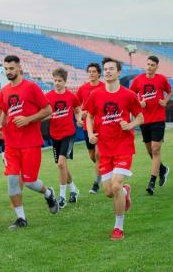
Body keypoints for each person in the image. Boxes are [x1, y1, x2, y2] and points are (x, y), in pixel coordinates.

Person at [0, 55, 59, 230]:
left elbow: (48, 110)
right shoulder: (4, 91)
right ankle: (21, 218)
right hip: (11, 145)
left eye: (11, 68)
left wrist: (29, 119)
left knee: (30, 182)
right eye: (6, 69)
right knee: (13, 180)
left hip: (30, 143)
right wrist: (0, 126)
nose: (9, 72)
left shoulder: (31, 88)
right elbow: (4, 112)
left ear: (19, 69)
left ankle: (48, 193)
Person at [85, 57, 143, 240]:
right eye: (106, 69)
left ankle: (118, 228)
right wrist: (90, 134)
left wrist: (131, 124)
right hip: (105, 148)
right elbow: (89, 116)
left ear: (118, 72)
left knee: (115, 185)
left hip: (124, 146)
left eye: (112, 68)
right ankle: (125, 191)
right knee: (110, 192)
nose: (108, 71)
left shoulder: (128, 95)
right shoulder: (95, 95)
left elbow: (140, 117)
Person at [130, 55, 172, 195]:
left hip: (158, 119)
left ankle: (152, 182)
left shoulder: (162, 79)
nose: (149, 67)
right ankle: (163, 169)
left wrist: (165, 101)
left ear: (156, 67)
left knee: (155, 149)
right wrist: (138, 103)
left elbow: (170, 92)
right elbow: (131, 94)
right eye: (147, 64)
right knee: (149, 150)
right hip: (144, 120)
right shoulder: (138, 79)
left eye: (152, 65)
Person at [44, 68, 82, 209]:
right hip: (55, 135)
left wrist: (79, 119)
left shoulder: (71, 96)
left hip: (68, 134)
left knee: (61, 164)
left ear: (65, 81)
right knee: (63, 166)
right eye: (55, 81)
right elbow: (44, 112)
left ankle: (62, 197)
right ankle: (74, 190)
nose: (57, 83)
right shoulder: (48, 96)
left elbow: (78, 110)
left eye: (60, 81)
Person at [76, 63, 105, 194]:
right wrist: (79, 118)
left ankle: (96, 184)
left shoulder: (104, 87)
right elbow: (76, 106)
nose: (92, 73)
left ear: (99, 73)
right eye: (90, 71)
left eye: (94, 71)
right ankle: (105, 170)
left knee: (99, 155)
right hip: (88, 127)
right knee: (93, 156)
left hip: (101, 125)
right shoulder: (82, 89)